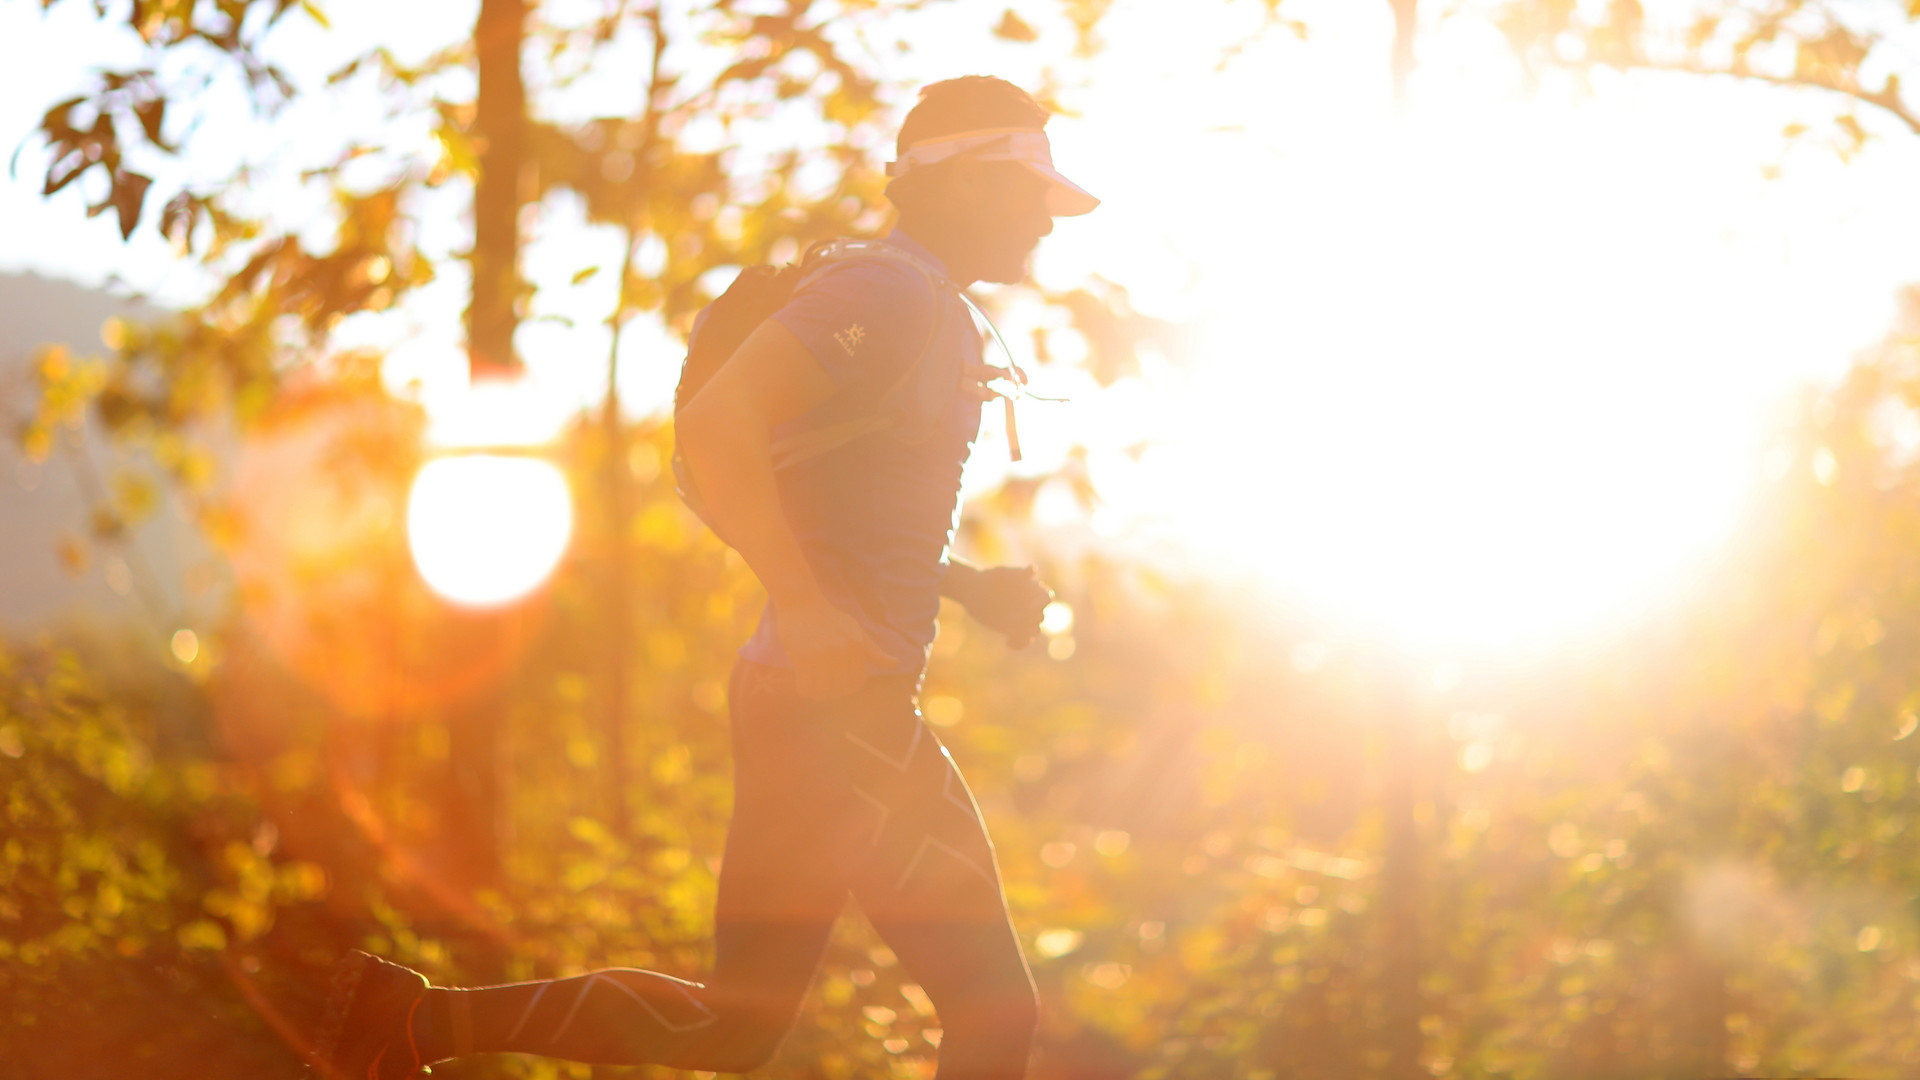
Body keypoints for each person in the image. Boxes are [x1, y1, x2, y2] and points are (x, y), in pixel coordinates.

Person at [312, 75, 1099, 1080]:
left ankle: (405, 1025)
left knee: (731, 1028)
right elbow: (718, 424)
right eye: (1029, 192)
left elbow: (843, 515)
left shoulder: (919, 302)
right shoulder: (888, 294)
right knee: (995, 1015)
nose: (1045, 218)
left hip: (807, 703)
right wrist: (808, 611)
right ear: (965, 182)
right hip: (841, 713)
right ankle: (407, 1026)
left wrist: (962, 586)